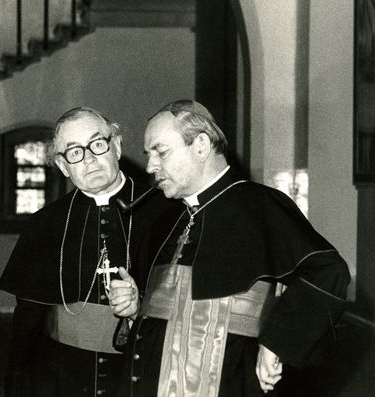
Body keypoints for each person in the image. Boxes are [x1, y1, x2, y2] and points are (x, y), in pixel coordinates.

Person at [111, 100, 351, 397]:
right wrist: (136, 305)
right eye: (149, 155)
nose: (150, 166)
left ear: (200, 145)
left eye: (160, 152)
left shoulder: (261, 206)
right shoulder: (165, 218)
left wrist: (276, 343)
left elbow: (329, 272)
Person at [0, 107, 168, 397]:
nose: (89, 159)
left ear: (116, 146)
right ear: (63, 167)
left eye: (97, 145)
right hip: (62, 377)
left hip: (142, 372)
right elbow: (28, 322)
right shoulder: (45, 224)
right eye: (74, 152)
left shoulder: (164, 212)